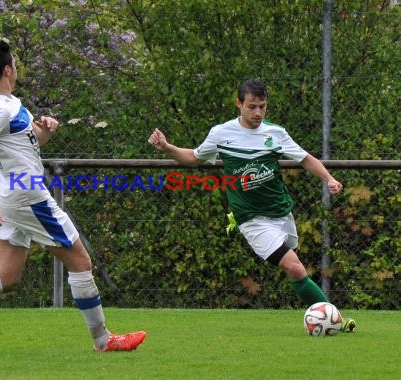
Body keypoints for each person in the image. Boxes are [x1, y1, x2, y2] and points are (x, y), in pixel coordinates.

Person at [0, 39, 147, 351]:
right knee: (81, 262)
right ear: (8, 70)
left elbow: (25, 145)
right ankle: (103, 340)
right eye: (15, 64)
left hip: (11, 194)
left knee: (7, 277)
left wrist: (45, 130)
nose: (16, 69)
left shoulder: (7, 103)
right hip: (26, 196)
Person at [148, 78, 355, 332]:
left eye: (263, 107)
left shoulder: (275, 133)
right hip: (251, 218)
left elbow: (305, 158)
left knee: (294, 267)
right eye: (252, 106)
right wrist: (167, 147)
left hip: (281, 212)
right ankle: (336, 321)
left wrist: (329, 179)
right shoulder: (221, 134)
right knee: (296, 267)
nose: (258, 113)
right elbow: (193, 158)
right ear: (239, 104)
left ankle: (327, 317)